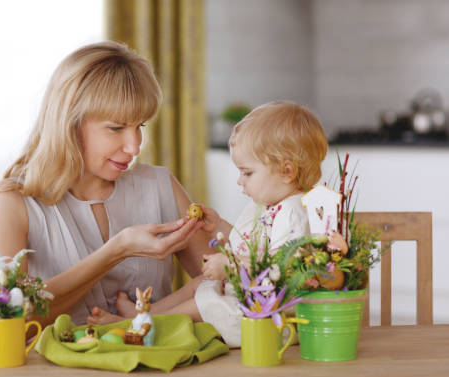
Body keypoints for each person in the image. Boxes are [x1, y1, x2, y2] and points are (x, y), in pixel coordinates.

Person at [0, 41, 212, 327]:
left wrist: (150, 317)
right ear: (68, 123)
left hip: (159, 367)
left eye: (140, 126)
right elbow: (10, 319)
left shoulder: (160, 185)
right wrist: (116, 251)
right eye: (116, 127)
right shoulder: (12, 201)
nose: (134, 147)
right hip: (51, 371)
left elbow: (226, 282)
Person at [114, 101, 328, 347]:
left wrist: (229, 267)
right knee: (200, 285)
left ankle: (145, 324)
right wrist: (220, 226)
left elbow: (279, 269)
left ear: (287, 171)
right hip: (251, 296)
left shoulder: (294, 212)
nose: (240, 181)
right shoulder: (267, 205)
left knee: (203, 303)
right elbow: (248, 244)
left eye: (247, 173)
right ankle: (142, 314)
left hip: (269, 314)